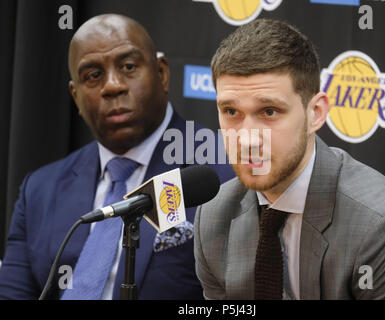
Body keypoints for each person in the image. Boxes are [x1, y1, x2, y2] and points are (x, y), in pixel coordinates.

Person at [194, 18, 385, 300]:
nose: (246, 139)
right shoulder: (213, 216)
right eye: (231, 112)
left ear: (316, 113)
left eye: (269, 112)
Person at [0, 14, 234, 300]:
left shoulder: (222, 173)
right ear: (76, 97)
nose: (112, 86)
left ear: (162, 74)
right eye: (93, 75)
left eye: (128, 66)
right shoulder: (40, 190)